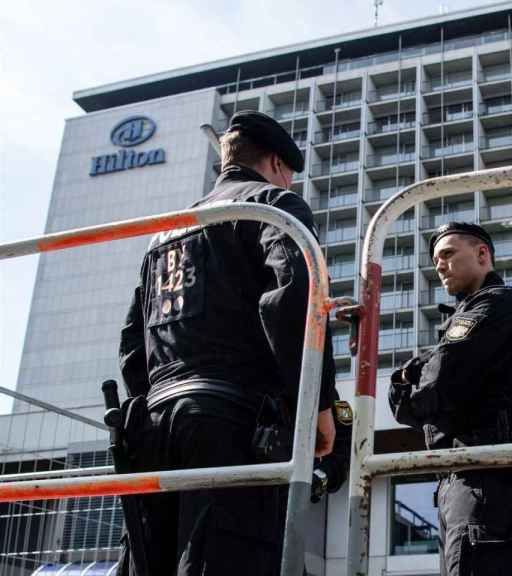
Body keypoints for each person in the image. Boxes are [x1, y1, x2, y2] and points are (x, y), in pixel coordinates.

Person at [117, 110, 339, 576]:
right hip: (232, 425)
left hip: (154, 425)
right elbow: (293, 299)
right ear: (278, 164)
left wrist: (150, 405)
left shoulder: (168, 230)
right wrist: (317, 404)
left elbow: (132, 344)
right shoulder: (272, 204)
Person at [388, 222, 512, 576]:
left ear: (481, 254)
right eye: (435, 260)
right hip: (463, 475)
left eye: (447, 254)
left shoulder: (497, 305)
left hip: (485, 476)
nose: (440, 265)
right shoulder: (469, 315)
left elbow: (440, 383)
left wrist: (408, 383)